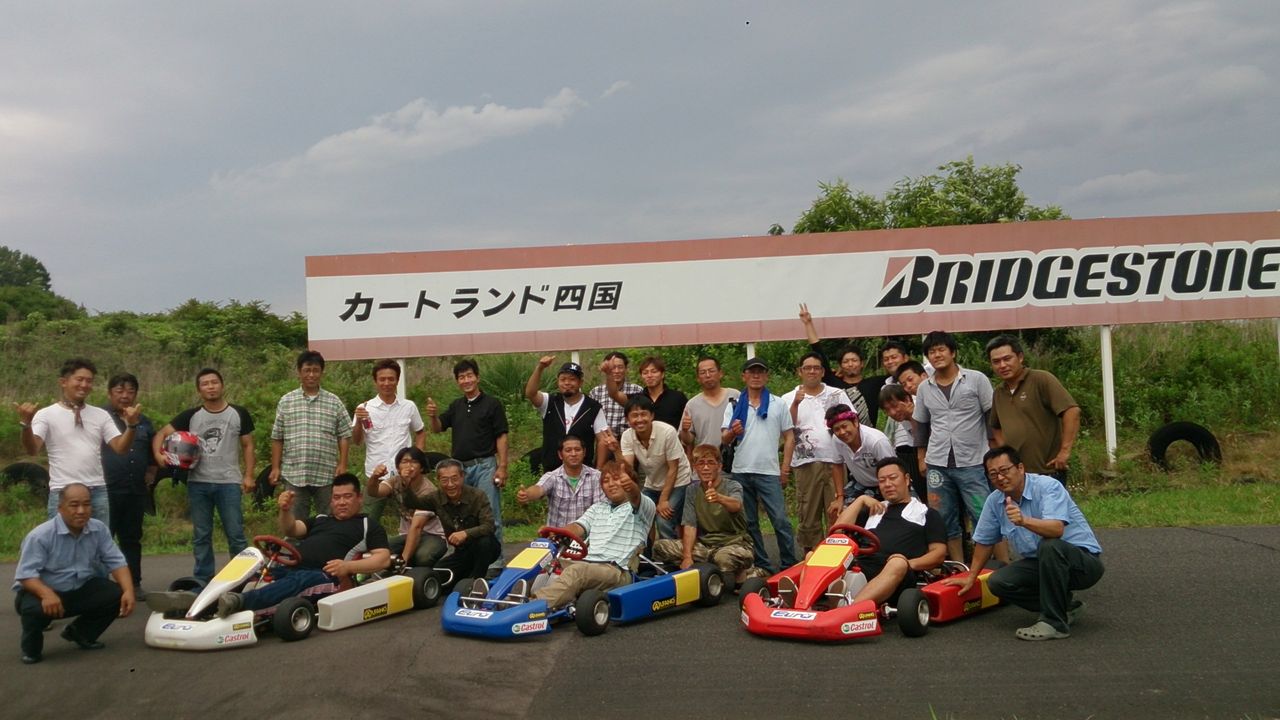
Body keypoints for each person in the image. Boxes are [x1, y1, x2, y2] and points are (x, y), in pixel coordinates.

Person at [944, 446, 1103, 641]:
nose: (1000, 478)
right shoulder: (995, 501)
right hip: (1043, 564)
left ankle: (1054, 623)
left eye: (1004, 470)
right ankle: (1065, 607)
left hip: (1083, 564)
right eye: (993, 474)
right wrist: (971, 577)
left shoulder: (1048, 487)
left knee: (1050, 545)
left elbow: (1056, 530)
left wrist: (1024, 520)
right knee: (998, 582)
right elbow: (984, 542)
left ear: (1020, 468)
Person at [210, 474, 391, 616]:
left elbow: (383, 559)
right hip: (293, 566)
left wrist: (348, 566)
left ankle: (240, 602)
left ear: (359, 498)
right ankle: (205, 602)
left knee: (300, 580)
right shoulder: (321, 519)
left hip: (328, 577)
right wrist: (285, 510)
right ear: (331, 500)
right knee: (255, 574)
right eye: (337, 498)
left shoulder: (367, 525)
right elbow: (291, 529)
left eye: (347, 497)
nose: (341, 502)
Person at [13, 483, 136, 664]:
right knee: (33, 610)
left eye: (86, 504)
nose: (81, 511)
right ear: (60, 508)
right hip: (43, 593)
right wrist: (47, 594)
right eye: (74, 505)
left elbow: (117, 563)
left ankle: (81, 633)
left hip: (78, 589)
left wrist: (129, 591)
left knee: (116, 593)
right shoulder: (40, 536)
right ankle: (31, 649)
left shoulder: (99, 529)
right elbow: (25, 575)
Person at [154, 368, 257, 585]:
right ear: (199, 390)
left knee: (235, 533)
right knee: (201, 535)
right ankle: (203, 579)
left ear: (222, 385)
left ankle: (243, 578)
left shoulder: (238, 413)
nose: (210, 387)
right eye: (205, 384)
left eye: (214, 382)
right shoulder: (191, 416)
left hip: (229, 482)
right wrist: (159, 455)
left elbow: (248, 445)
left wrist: (249, 476)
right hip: (198, 483)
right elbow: (161, 434)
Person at [16, 358, 141, 526]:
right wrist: (26, 424)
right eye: (79, 379)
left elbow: (120, 448)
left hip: (96, 490)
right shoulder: (46, 414)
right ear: (63, 382)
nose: (84, 385)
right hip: (63, 491)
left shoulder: (100, 415)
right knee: (62, 539)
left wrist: (131, 426)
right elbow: (32, 449)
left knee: (97, 540)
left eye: (89, 381)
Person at [912, 330, 997, 562]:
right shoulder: (924, 387)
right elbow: (921, 425)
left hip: (973, 461)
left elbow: (991, 417)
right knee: (943, 519)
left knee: (983, 514)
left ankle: (996, 565)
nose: (937, 355)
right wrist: (921, 457)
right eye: (932, 352)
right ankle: (959, 566)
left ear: (953, 352)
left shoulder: (976, 379)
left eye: (941, 349)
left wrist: (994, 452)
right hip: (937, 463)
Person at [533, 462, 655, 609]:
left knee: (577, 572)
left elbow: (635, 496)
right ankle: (515, 600)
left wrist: (631, 488)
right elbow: (577, 527)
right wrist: (555, 532)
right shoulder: (598, 508)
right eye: (606, 481)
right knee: (542, 563)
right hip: (587, 563)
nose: (611, 484)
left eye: (617, 479)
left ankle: (534, 607)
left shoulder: (642, 508)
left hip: (617, 570)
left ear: (630, 480)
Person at [828, 458, 946, 606]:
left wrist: (908, 564)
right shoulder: (875, 509)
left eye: (893, 478)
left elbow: (938, 554)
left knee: (897, 563)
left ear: (907, 479)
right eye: (882, 480)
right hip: (860, 567)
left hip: (896, 572)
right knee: (812, 557)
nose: (888, 484)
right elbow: (837, 535)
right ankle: (805, 603)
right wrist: (860, 500)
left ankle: (848, 610)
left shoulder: (926, 513)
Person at [721, 357, 799, 574]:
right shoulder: (734, 404)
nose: (756, 376)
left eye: (760, 372)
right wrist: (732, 431)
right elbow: (724, 439)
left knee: (780, 520)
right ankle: (762, 564)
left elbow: (789, 437)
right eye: (751, 372)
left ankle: (789, 564)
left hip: (769, 471)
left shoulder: (778, 404)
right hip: (741, 470)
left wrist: (785, 468)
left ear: (766, 376)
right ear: (744, 376)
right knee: (750, 522)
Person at [427, 359, 510, 557]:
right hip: (459, 470)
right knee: (462, 517)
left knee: (489, 515)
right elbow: (438, 428)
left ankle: (495, 562)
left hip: (485, 466)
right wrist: (433, 415)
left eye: (469, 375)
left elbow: (501, 436)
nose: (466, 380)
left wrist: (502, 466)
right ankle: (467, 561)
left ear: (477, 377)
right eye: (461, 377)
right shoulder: (456, 405)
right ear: (458, 381)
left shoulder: (492, 404)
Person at [651, 445, 756, 584]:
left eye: (710, 463)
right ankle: (693, 574)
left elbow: (736, 505)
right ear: (695, 468)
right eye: (701, 463)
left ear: (719, 466)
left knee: (723, 559)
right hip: (706, 546)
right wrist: (687, 557)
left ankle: (746, 573)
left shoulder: (733, 485)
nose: (706, 468)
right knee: (660, 547)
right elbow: (690, 525)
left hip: (734, 544)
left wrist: (719, 498)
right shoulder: (692, 490)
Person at [986, 335, 1080, 483]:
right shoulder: (999, 392)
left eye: (1007, 359)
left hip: (1047, 473)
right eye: (996, 362)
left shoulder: (1041, 379)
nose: (1002, 365)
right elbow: (995, 426)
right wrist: (1006, 456)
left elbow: (1072, 411)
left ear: (1020, 357)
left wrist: (1064, 451)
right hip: (1017, 476)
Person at [269, 351, 351, 520]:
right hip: (294, 472)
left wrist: (342, 464)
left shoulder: (334, 401)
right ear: (299, 372)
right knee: (295, 522)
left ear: (322, 372)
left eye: (315, 370)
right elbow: (277, 437)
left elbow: (344, 434)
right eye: (307, 370)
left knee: (330, 520)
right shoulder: (286, 401)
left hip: (326, 472)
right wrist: (276, 467)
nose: (311, 375)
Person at [781, 352, 847, 554]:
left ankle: (836, 558)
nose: (812, 371)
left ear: (823, 371)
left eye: (816, 368)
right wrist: (795, 404)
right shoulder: (787, 398)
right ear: (799, 372)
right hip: (805, 463)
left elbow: (850, 423)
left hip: (836, 461)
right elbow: (785, 429)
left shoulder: (837, 394)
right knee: (808, 515)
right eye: (807, 368)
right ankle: (810, 559)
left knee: (837, 514)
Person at [399, 459, 501, 588]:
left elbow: (489, 526)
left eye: (454, 479)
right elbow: (412, 503)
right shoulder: (436, 497)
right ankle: (466, 576)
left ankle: (476, 580)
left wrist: (465, 533)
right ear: (438, 480)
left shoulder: (477, 495)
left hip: (485, 548)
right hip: (461, 552)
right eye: (444, 480)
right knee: (439, 578)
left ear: (462, 477)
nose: (450, 484)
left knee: (484, 542)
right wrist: (406, 484)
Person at [100, 372, 156, 592]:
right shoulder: (99, 418)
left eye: (130, 391)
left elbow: (151, 453)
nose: (125, 395)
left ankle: (133, 584)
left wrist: (151, 472)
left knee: (131, 539)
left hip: (135, 490)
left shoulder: (144, 421)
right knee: (102, 538)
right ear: (109, 393)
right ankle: (99, 586)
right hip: (106, 490)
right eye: (119, 391)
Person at [352, 359, 426, 524]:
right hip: (376, 475)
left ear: (397, 380)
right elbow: (357, 441)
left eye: (391, 379)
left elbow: (420, 432)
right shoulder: (365, 408)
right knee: (367, 521)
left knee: (412, 520)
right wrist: (358, 421)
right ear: (375, 381)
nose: (387, 383)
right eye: (382, 379)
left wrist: (417, 459)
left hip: (404, 476)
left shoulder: (409, 406)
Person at [619, 396, 692, 540]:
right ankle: (648, 552)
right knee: (640, 515)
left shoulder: (667, 432)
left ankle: (670, 552)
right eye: (634, 415)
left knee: (664, 520)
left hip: (679, 481)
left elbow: (673, 468)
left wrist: (663, 500)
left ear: (652, 416)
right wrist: (615, 450)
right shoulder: (627, 436)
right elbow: (628, 468)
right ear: (628, 419)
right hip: (653, 482)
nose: (639, 419)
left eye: (643, 414)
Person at [798, 303, 883, 426]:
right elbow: (818, 350)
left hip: (868, 434)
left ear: (862, 363)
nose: (850, 364)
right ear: (840, 365)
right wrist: (808, 323)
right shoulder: (834, 383)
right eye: (846, 361)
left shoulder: (875, 383)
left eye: (854, 360)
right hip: (840, 434)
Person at [366, 447, 448, 568]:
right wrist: (374, 477)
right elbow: (374, 492)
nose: (409, 466)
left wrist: (403, 560)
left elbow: (417, 527)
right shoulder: (395, 481)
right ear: (398, 467)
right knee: (379, 549)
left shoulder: (428, 491)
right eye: (404, 462)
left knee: (423, 556)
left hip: (433, 536)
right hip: (406, 534)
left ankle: (422, 571)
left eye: (414, 462)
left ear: (421, 468)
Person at [525, 356, 607, 472]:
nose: (567, 383)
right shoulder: (550, 402)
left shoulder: (593, 407)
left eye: (572, 379)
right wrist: (540, 368)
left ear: (580, 382)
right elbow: (531, 393)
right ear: (558, 382)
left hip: (583, 471)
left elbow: (602, 440)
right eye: (563, 379)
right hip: (552, 470)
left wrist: (598, 469)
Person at [516, 436, 605, 528]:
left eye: (577, 450)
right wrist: (527, 494)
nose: (573, 454)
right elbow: (539, 489)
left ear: (584, 452)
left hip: (587, 534)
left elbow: (599, 509)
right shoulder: (552, 477)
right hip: (557, 535)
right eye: (568, 450)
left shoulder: (596, 477)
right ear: (560, 455)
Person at [825, 404, 896, 512]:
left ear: (855, 422)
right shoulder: (837, 439)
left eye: (844, 426)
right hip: (862, 483)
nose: (842, 432)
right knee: (838, 511)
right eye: (837, 429)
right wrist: (839, 497)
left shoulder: (876, 441)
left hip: (889, 483)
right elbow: (837, 465)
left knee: (894, 513)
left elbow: (893, 470)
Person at [604, 355, 687, 430]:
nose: (649, 375)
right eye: (645, 373)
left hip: (671, 441)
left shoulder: (678, 397)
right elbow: (614, 394)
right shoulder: (637, 399)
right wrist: (609, 374)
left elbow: (687, 427)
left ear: (662, 374)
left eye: (654, 371)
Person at [678, 356, 739, 455]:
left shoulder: (735, 396)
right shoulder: (692, 405)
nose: (708, 375)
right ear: (698, 378)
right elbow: (688, 440)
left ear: (720, 373)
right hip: (706, 460)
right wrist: (684, 430)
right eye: (703, 372)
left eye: (711, 371)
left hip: (734, 458)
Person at [879, 384, 927, 501]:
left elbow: (925, 437)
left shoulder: (921, 405)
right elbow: (916, 441)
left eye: (894, 406)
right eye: (887, 410)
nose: (892, 413)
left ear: (906, 399)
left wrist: (912, 417)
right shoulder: (905, 416)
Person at [588, 351, 643, 451]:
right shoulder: (595, 392)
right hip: (605, 442)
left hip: (630, 440)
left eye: (620, 367)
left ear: (626, 369)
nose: (616, 371)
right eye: (612, 368)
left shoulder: (637, 390)